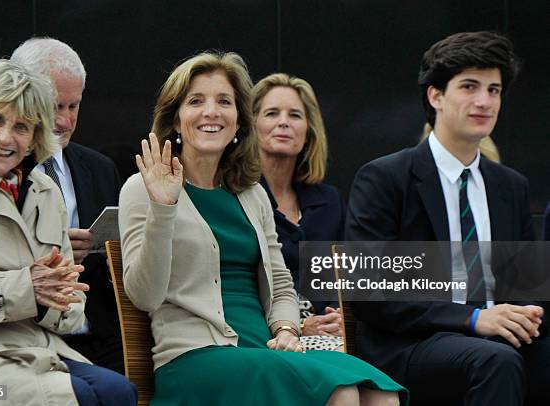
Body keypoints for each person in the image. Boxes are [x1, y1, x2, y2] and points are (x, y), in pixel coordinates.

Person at [119, 51, 405, 405]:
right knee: (341, 392)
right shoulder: (141, 187)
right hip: (195, 358)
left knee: (382, 396)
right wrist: (164, 208)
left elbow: (282, 283)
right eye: (196, 101)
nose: (211, 111)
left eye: (224, 101)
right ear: (176, 120)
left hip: (263, 348)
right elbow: (144, 296)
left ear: (239, 121)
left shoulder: (252, 193)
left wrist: (286, 328)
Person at [345, 31, 550, 405]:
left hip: (497, 336)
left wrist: (528, 312)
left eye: (494, 90)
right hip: (413, 343)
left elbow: (527, 285)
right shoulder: (386, 177)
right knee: (496, 360)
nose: (484, 101)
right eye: (470, 86)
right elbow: (370, 291)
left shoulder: (510, 186)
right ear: (435, 95)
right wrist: (472, 319)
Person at [0, 59, 136, 405]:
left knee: (117, 391)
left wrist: (55, 301)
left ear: (34, 140)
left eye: (21, 127)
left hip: (40, 348)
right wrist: (24, 290)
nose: (4, 137)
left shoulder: (46, 192)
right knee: (68, 397)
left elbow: (72, 308)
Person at [11, 37, 124, 374]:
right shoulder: (0, 168)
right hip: (24, 330)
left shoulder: (101, 169)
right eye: (53, 106)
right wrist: (53, 250)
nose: (63, 121)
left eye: (73, 106)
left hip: (98, 332)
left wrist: (107, 248)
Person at [252, 73, 347, 351]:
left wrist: (342, 319)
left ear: (308, 130)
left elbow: (347, 278)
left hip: (333, 338)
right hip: (269, 339)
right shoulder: (237, 196)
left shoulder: (329, 200)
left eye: (295, 115)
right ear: (252, 125)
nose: (284, 122)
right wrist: (301, 325)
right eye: (272, 113)